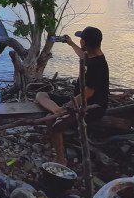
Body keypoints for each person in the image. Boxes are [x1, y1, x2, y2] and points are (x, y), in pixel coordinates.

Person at [35, 26, 109, 166]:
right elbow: (82, 55)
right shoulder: (93, 56)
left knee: (56, 126)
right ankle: (57, 111)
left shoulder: (98, 65)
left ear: (84, 43)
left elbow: (88, 93)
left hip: (92, 107)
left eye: (81, 40)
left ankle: (61, 160)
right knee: (41, 94)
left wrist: (68, 106)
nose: (79, 42)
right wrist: (70, 43)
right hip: (79, 101)